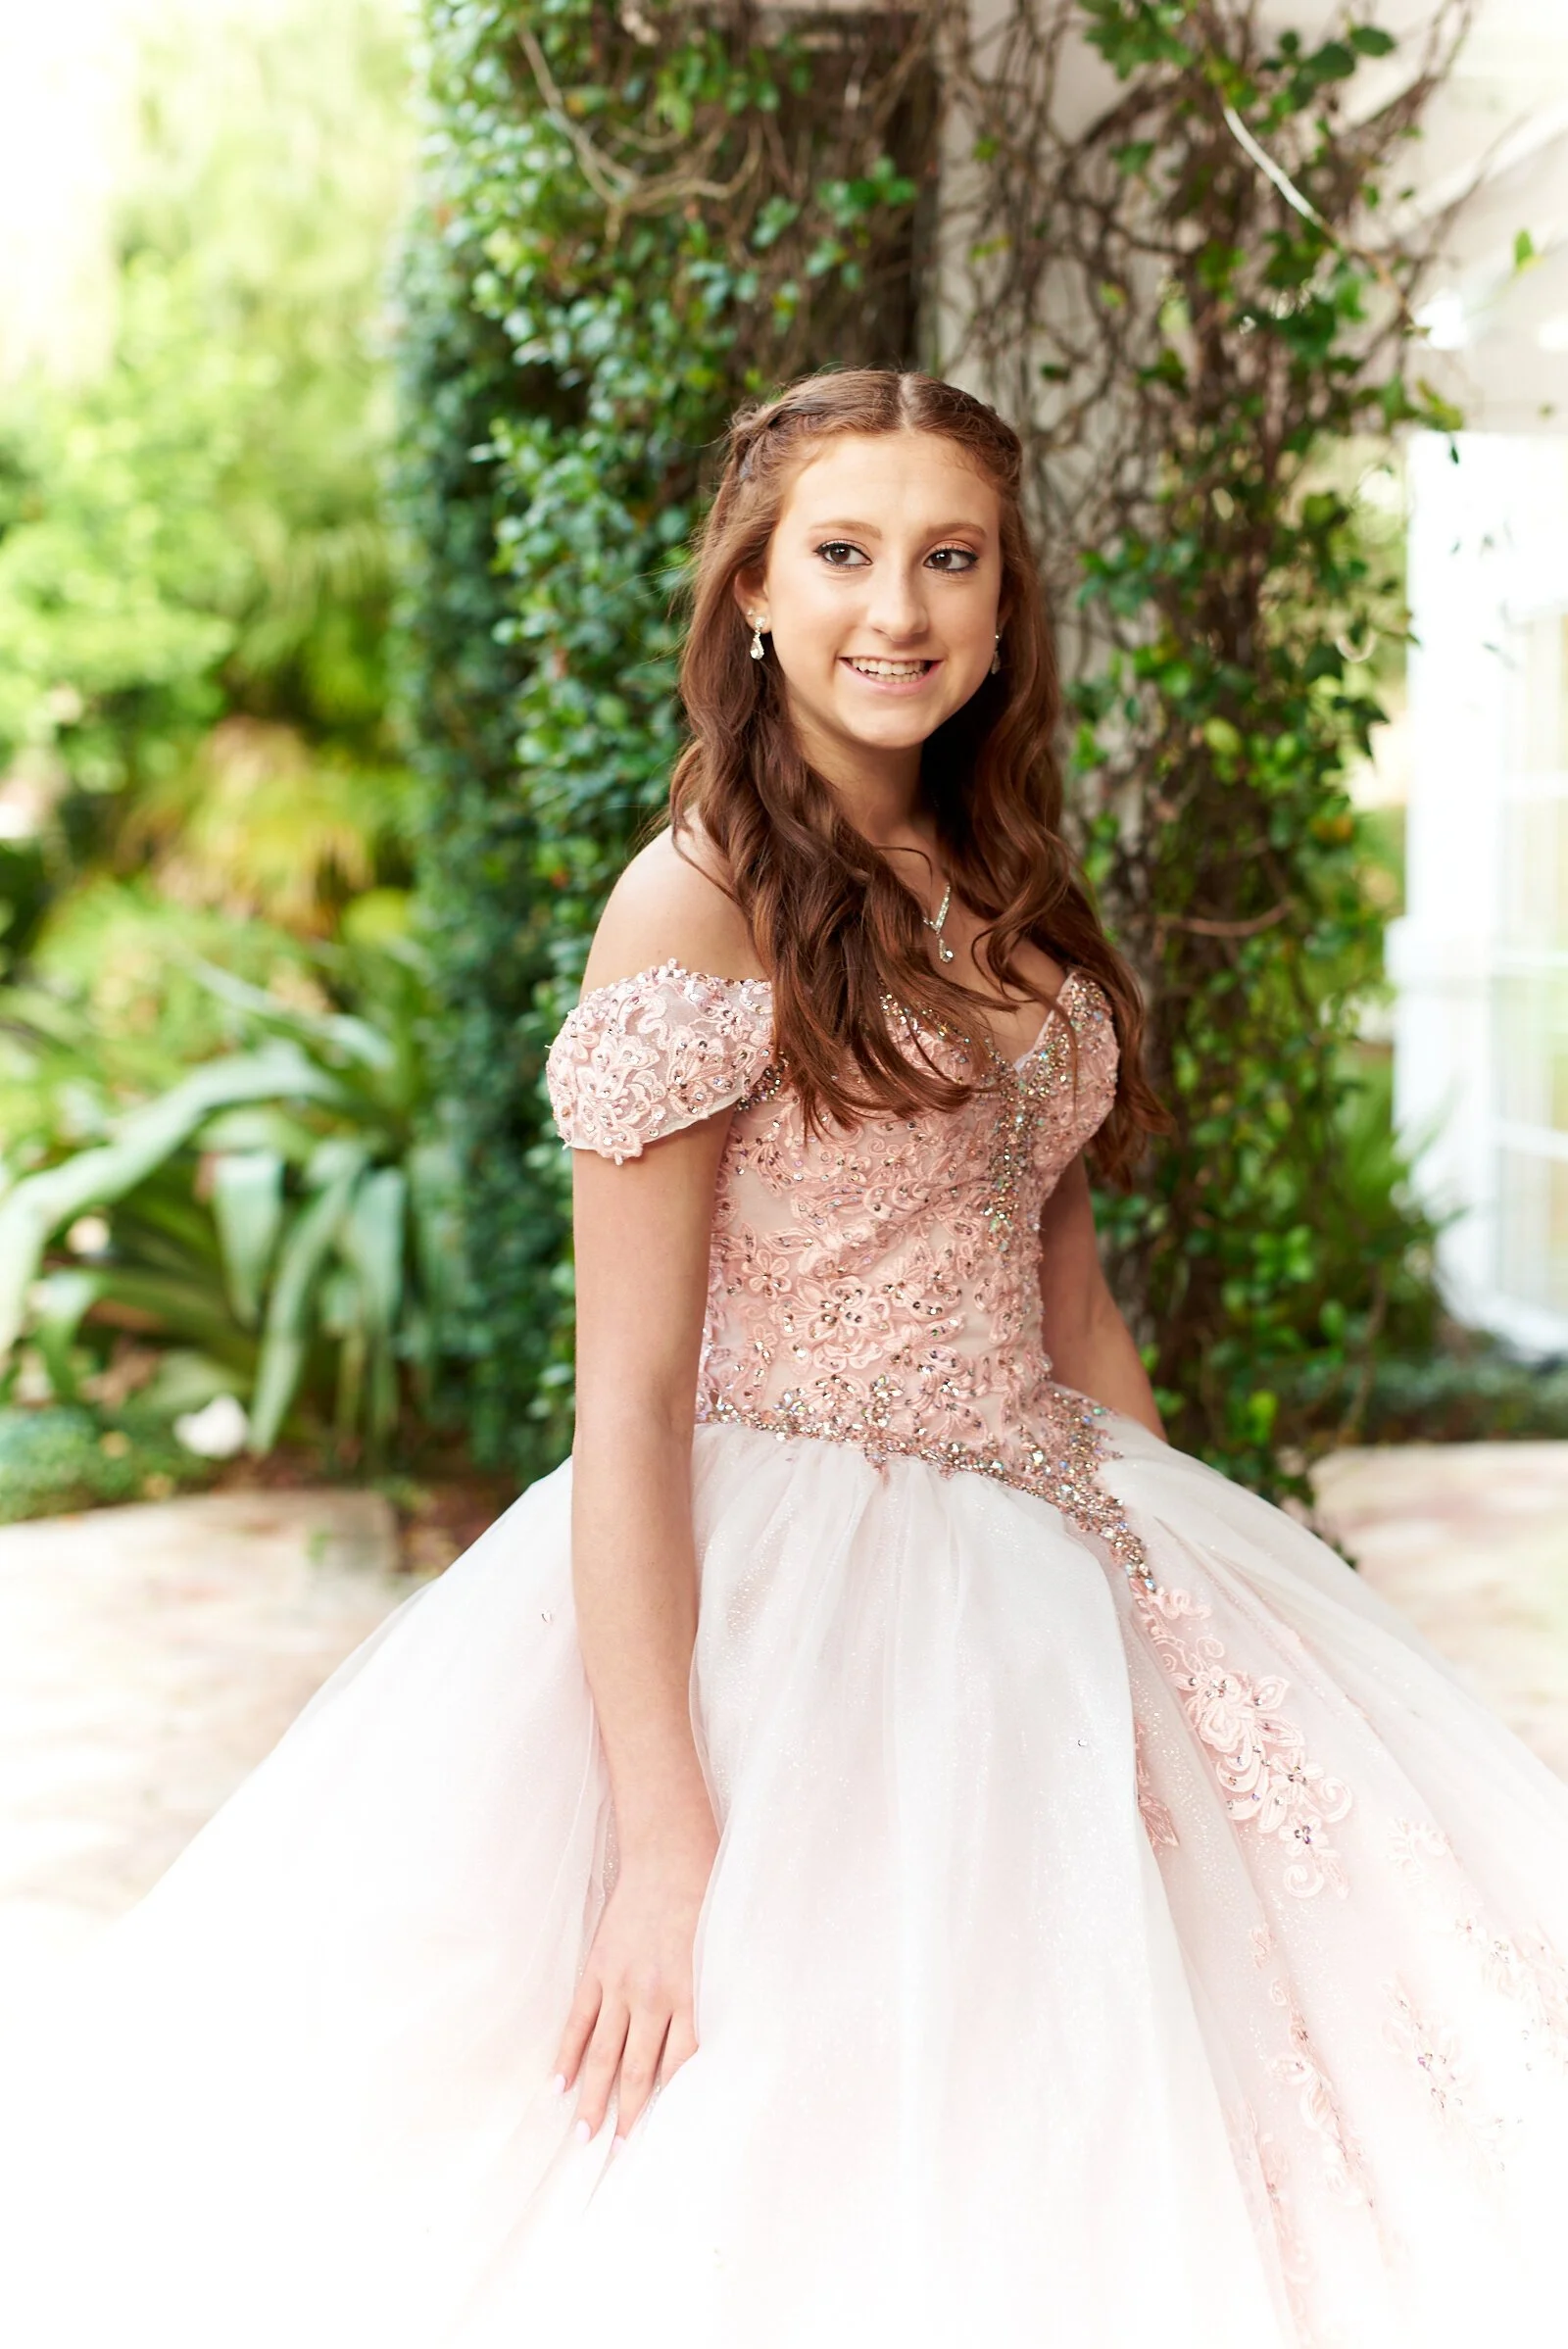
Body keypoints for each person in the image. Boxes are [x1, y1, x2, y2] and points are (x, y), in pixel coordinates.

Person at [3, 368, 1567, 2349]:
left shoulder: (1007, 883)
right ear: (752, 589)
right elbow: (631, 1398)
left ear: (1003, 603)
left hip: (1064, 1531)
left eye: (948, 559)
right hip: (802, 1584)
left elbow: (1072, 1302)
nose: (895, 609)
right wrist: (664, 1842)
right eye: (841, 553)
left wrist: (1189, 1610)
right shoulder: (694, 903)